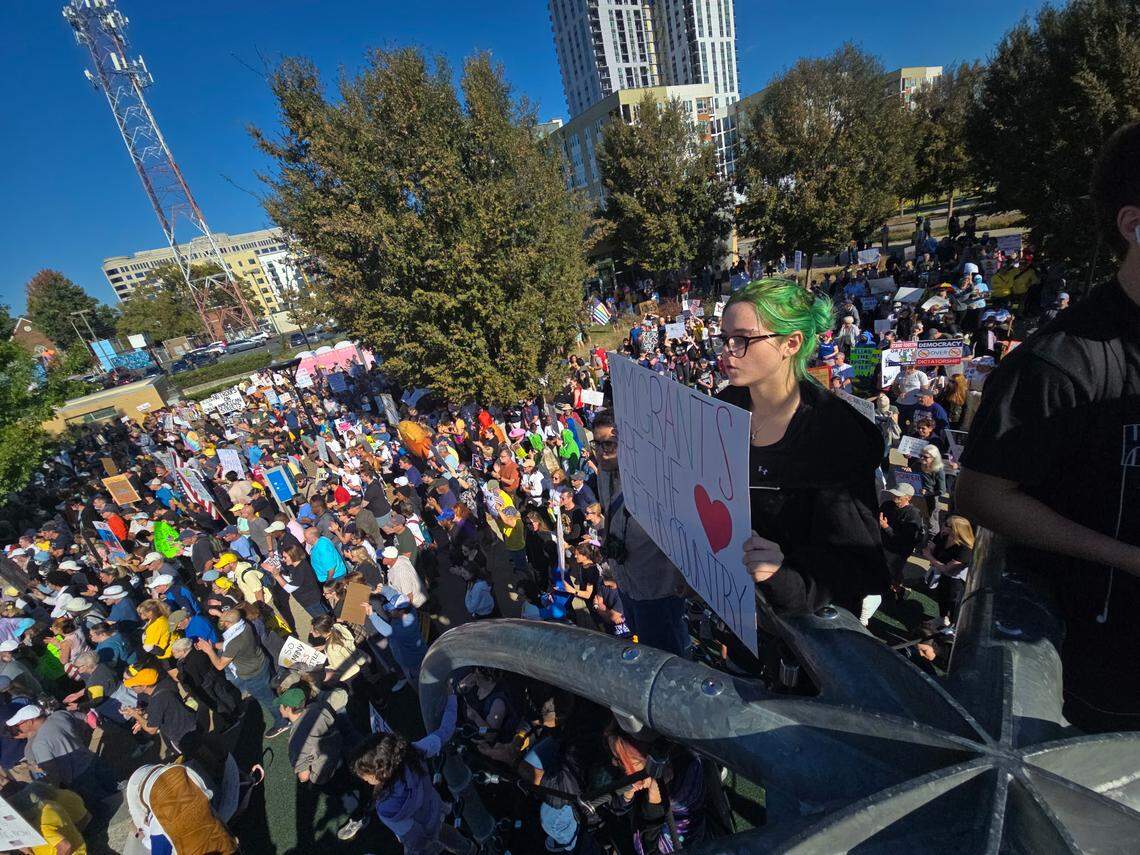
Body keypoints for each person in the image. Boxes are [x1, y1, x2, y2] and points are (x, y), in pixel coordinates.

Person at [957, 122, 1140, 731]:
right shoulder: (1059, 362)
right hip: (1103, 673)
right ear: (1133, 224)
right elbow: (982, 495)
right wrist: (1123, 557)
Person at [716, 278, 889, 617]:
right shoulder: (720, 409)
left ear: (791, 343)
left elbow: (859, 564)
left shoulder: (838, 436)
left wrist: (784, 573)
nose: (727, 351)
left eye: (742, 340)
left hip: (800, 641)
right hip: (735, 616)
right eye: (725, 339)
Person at [592, 412, 690, 656]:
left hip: (657, 590)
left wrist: (686, 576)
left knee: (666, 657)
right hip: (627, 585)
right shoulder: (604, 474)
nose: (602, 451)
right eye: (597, 443)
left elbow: (683, 531)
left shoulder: (657, 483)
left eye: (609, 444)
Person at [351, 693, 473, 854]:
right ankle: (471, 850)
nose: (364, 780)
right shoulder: (412, 752)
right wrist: (451, 697)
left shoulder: (386, 807)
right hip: (435, 810)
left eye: (365, 775)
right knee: (449, 835)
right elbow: (445, 731)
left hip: (425, 838)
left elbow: (414, 839)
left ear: (381, 771)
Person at [277, 684, 370, 841]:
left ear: (289, 709)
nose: (279, 707)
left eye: (281, 704)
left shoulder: (296, 742)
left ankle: (359, 816)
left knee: (344, 791)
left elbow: (304, 776)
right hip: (341, 757)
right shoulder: (319, 707)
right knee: (355, 780)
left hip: (326, 774)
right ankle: (362, 796)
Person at [194, 609, 289, 738]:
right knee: (271, 691)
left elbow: (220, 665)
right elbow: (229, 645)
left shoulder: (234, 642)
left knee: (268, 700)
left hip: (253, 676)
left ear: (228, 623)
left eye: (223, 621)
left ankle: (282, 722)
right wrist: (215, 645)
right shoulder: (245, 625)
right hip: (262, 663)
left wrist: (209, 650)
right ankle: (286, 706)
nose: (221, 622)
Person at [6, 704, 117, 809]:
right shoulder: (61, 715)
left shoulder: (39, 744)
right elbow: (83, 726)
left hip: (79, 779)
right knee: (119, 790)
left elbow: (53, 773)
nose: (17, 729)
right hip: (93, 760)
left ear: (29, 722)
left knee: (108, 808)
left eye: (18, 726)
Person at [921, 515, 974, 631]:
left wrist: (930, 557)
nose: (943, 525)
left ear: (956, 529)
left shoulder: (965, 549)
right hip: (942, 575)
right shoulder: (943, 536)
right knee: (941, 597)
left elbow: (947, 568)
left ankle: (953, 627)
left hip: (956, 580)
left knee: (954, 603)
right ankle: (942, 618)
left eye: (946, 524)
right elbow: (930, 547)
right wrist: (933, 557)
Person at [878, 484, 926, 589]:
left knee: (893, 573)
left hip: (898, 552)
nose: (894, 497)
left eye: (898, 496)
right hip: (884, 545)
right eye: (893, 494)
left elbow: (905, 540)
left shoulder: (913, 514)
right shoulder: (887, 505)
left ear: (908, 497)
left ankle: (897, 592)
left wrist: (886, 527)